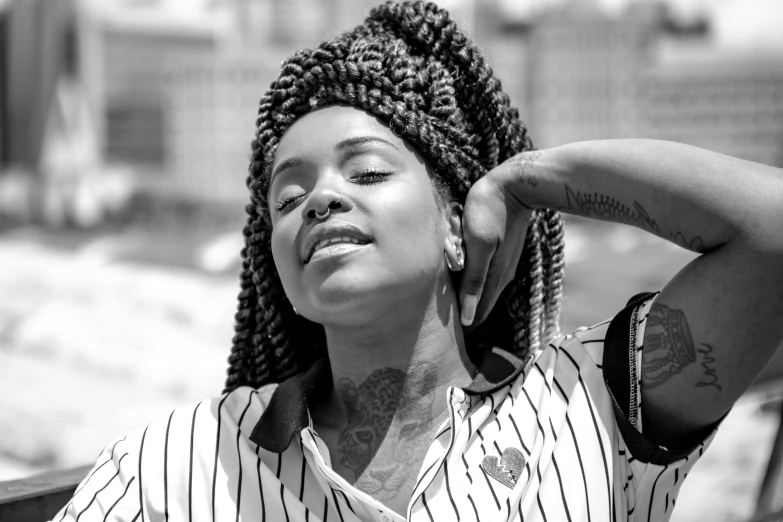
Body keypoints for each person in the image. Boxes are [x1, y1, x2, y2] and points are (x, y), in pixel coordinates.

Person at [52, 2, 783, 521]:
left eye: (365, 173)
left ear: (455, 229)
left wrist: (530, 177)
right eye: (287, 198)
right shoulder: (175, 463)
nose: (320, 201)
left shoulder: (591, 401)